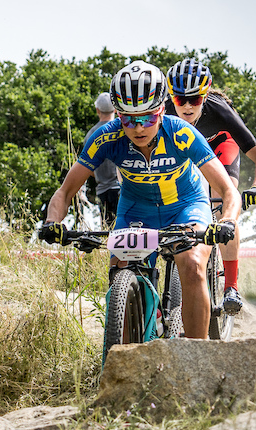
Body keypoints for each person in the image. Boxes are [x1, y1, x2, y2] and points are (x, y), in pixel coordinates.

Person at [39, 60, 240, 339]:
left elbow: (228, 191)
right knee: (119, 269)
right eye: (128, 119)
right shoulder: (106, 137)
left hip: (186, 205)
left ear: (161, 110)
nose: (138, 128)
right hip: (136, 208)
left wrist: (227, 221)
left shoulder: (182, 133)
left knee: (193, 265)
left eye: (147, 117)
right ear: (118, 116)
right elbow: (64, 192)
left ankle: (198, 355)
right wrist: (52, 222)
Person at [165, 58, 256, 314]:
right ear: (171, 97)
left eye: (196, 99)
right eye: (180, 100)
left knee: (224, 202)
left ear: (205, 96)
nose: (188, 106)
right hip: (185, 150)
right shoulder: (164, 110)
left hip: (220, 147)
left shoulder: (219, 110)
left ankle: (231, 286)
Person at [78, 92, 121, 227]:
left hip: (102, 191)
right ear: (115, 109)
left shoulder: (91, 134)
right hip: (122, 189)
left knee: (108, 229)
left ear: (98, 110)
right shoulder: (122, 129)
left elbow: (87, 167)